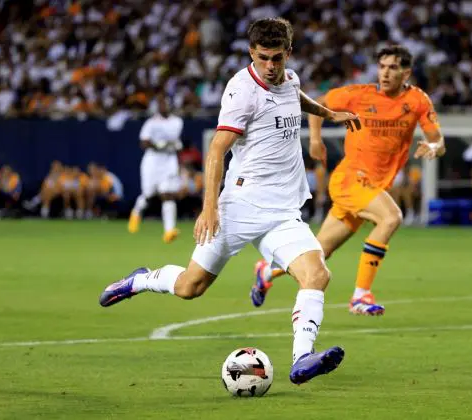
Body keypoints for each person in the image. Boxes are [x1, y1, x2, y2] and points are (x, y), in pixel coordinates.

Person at [98, 18, 360, 385]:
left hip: (283, 210)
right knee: (191, 287)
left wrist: (328, 114)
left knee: (317, 274)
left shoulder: (290, 78)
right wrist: (210, 207)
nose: (271, 66)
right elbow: (217, 149)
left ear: (289, 53)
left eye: (278, 58)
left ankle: (302, 359)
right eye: (264, 58)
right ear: (251, 53)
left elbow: (294, 96)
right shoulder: (241, 91)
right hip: (240, 206)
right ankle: (141, 280)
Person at [250, 45, 446, 316]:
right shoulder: (359, 95)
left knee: (318, 253)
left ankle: (267, 271)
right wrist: (315, 140)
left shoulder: (417, 101)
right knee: (391, 218)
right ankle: (360, 295)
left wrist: (434, 148)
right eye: (382, 66)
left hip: (372, 186)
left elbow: (437, 139)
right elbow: (318, 104)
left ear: (407, 72)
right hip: (350, 178)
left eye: (393, 67)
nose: (385, 73)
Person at [127, 95, 184, 244]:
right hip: (152, 161)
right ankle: (136, 212)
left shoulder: (177, 122)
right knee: (148, 194)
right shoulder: (151, 123)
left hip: (169, 161)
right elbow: (144, 142)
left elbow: (175, 141)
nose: (162, 106)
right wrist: (158, 145)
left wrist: (174, 145)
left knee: (168, 194)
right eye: (160, 104)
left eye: (164, 103)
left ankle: (169, 231)